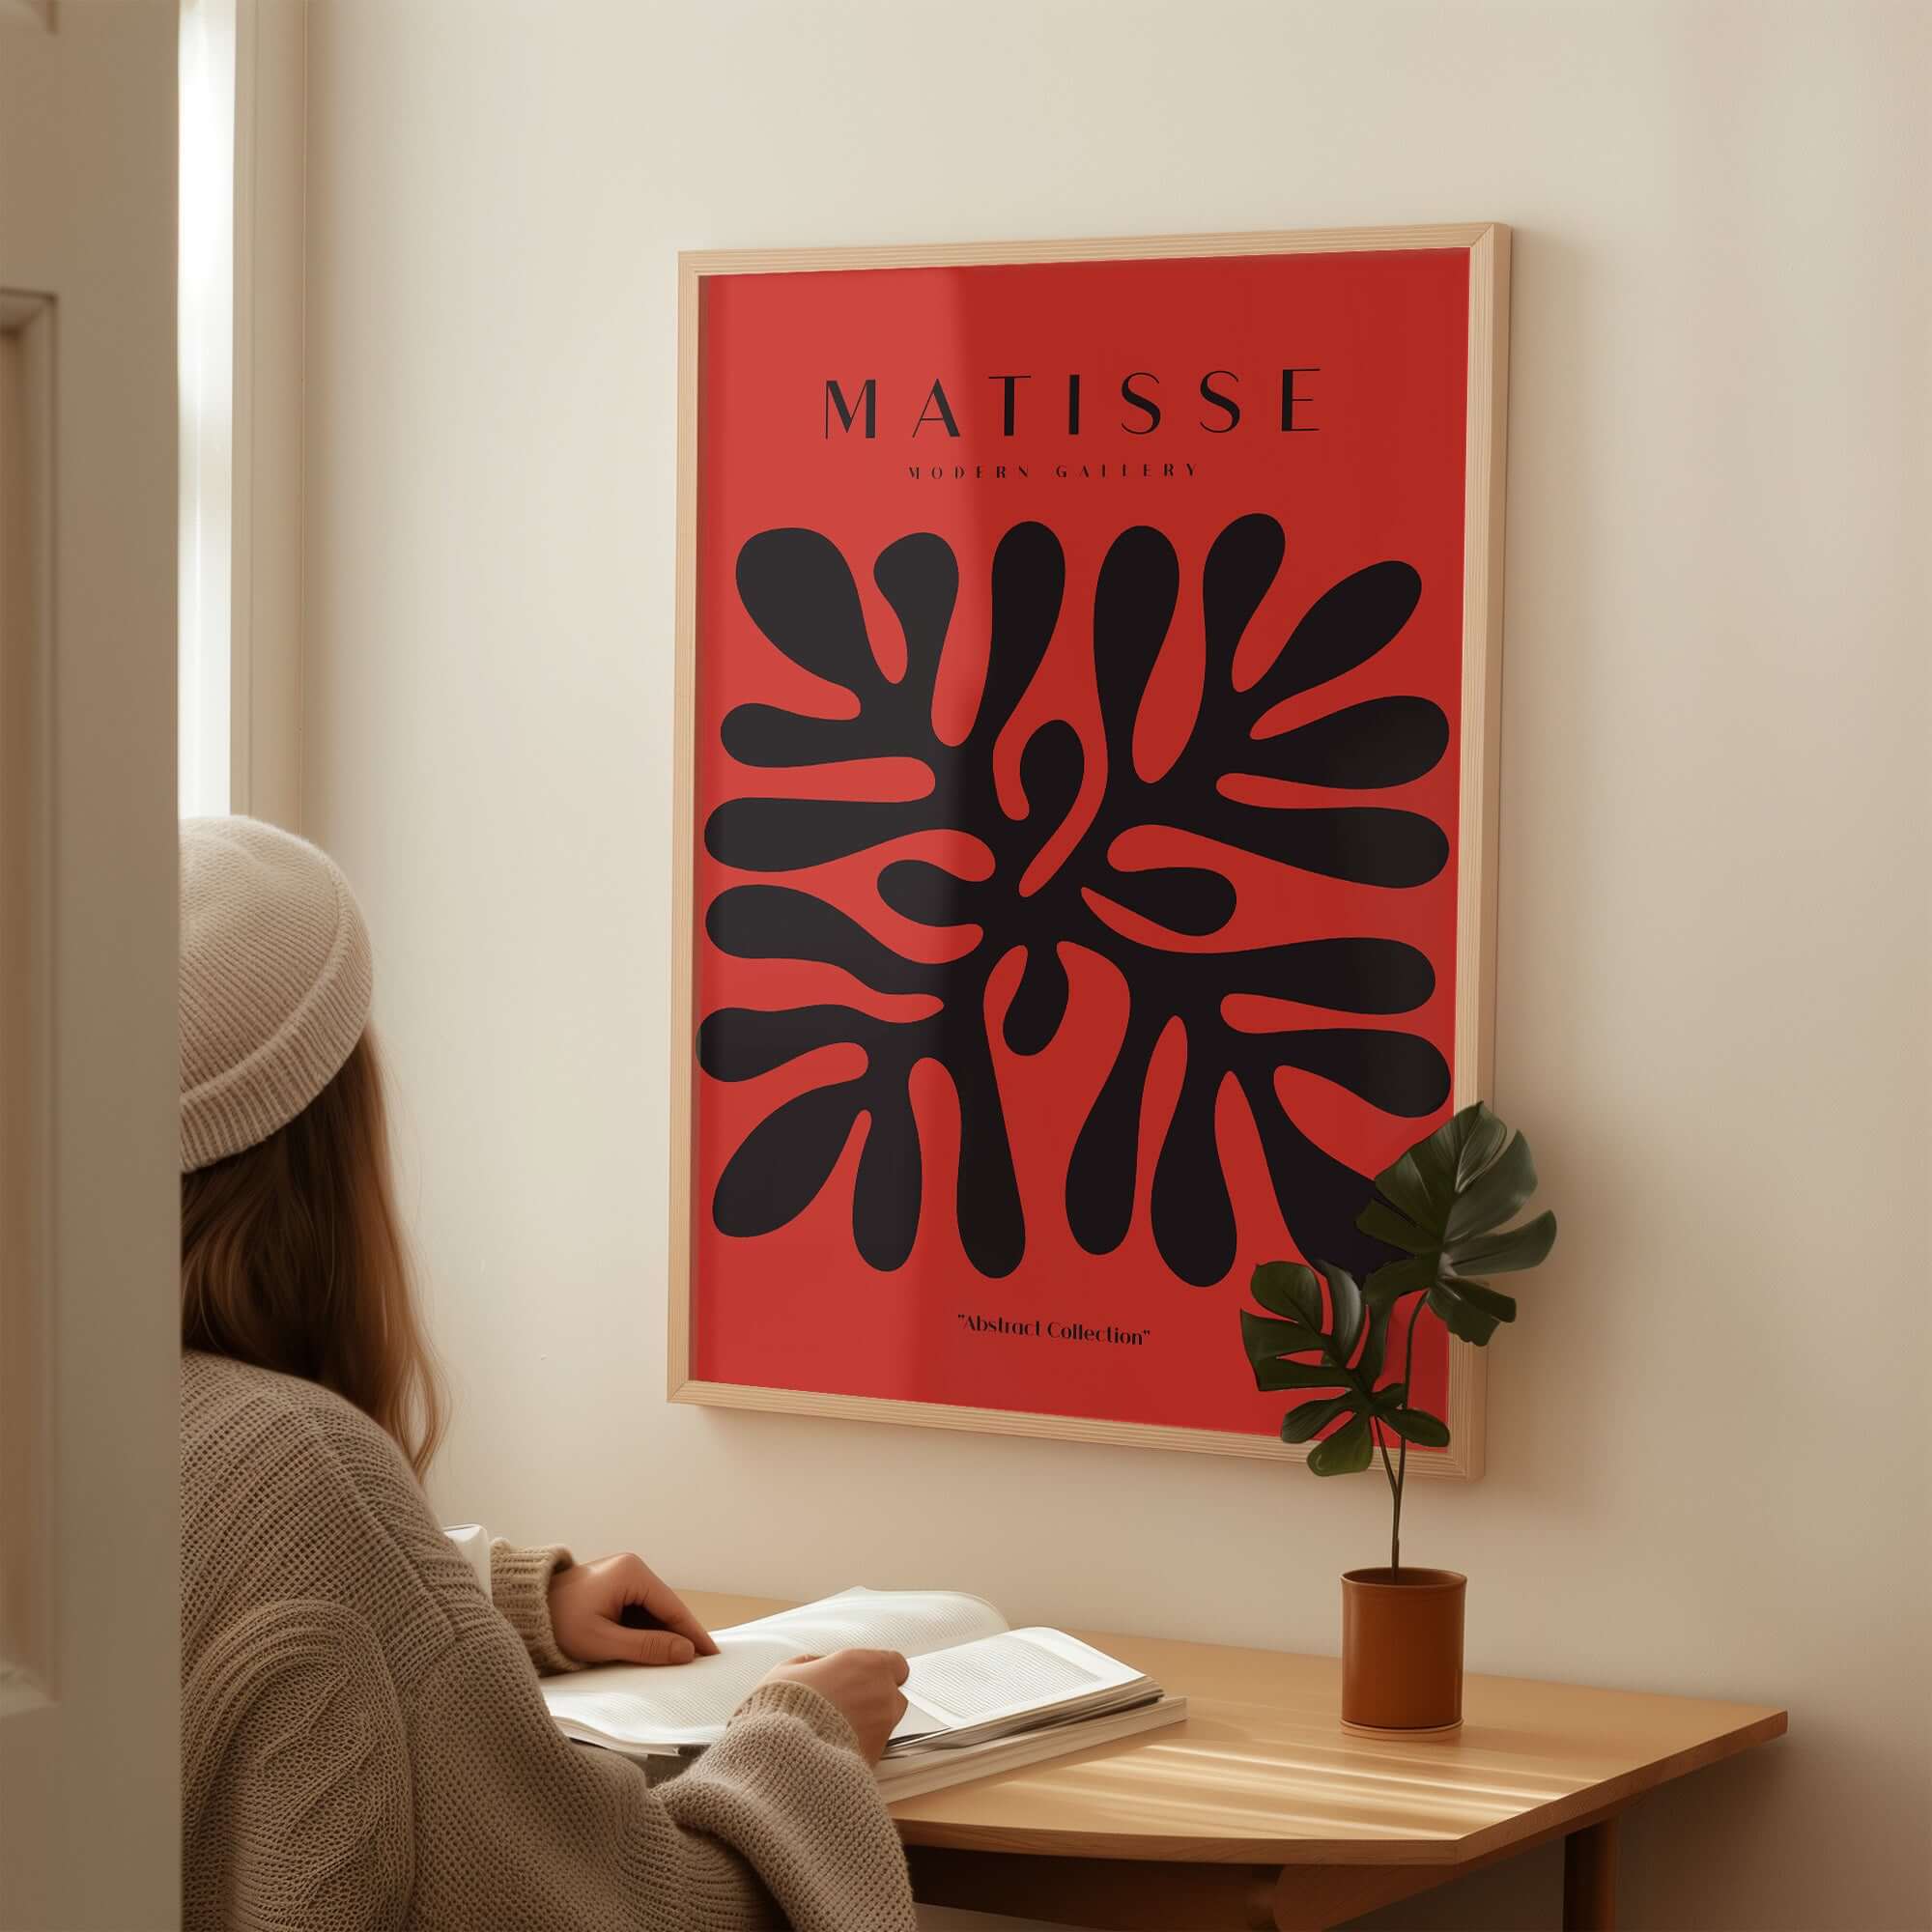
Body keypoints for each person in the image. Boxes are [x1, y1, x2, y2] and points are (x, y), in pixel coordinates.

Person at [178, 816, 919, 1931]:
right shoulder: (294, 1465)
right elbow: (628, 1911)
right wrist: (799, 1738)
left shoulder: (81, 1416)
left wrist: (476, 1596)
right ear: (328, 1145)